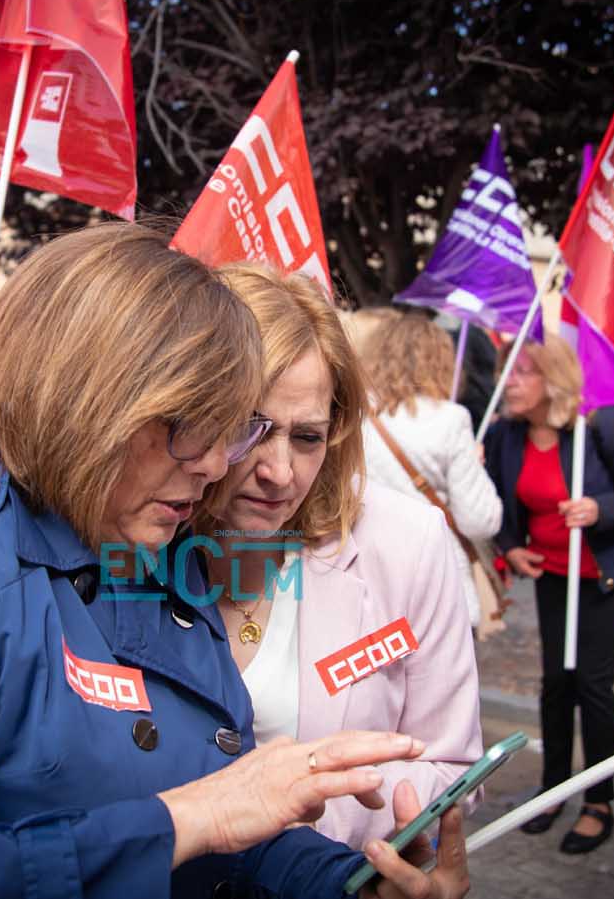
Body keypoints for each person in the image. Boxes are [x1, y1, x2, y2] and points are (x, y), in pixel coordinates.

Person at [0, 223, 469, 899]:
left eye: (229, 429)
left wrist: (353, 883)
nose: (217, 465)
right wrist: (187, 819)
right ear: (86, 402)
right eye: (189, 425)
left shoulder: (159, 565)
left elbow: (241, 829)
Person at [199, 265, 484, 849]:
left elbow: (451, 767)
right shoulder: (137, 538)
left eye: (307, 437)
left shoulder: (407, 541)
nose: (280, 472)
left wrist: (296, 816)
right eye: (250, 429)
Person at [482, 337, 614, 855]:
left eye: (522, 372)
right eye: (508, 371)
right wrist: (512, 548)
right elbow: (497, 502)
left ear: (552, 379)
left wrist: (601, 510)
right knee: (556, 681)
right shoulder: (506, 434)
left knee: (592, 683)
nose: (510, 382)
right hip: (553, 573)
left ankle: (599, 800)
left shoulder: (605, 427)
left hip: (604, 574)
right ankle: (553, 788)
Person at [357, 309, 502, 628]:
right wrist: (476, 470)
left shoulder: (354, 415)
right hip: (435, 580)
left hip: (367, 579)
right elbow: (479, 520)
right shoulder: (449, 419)